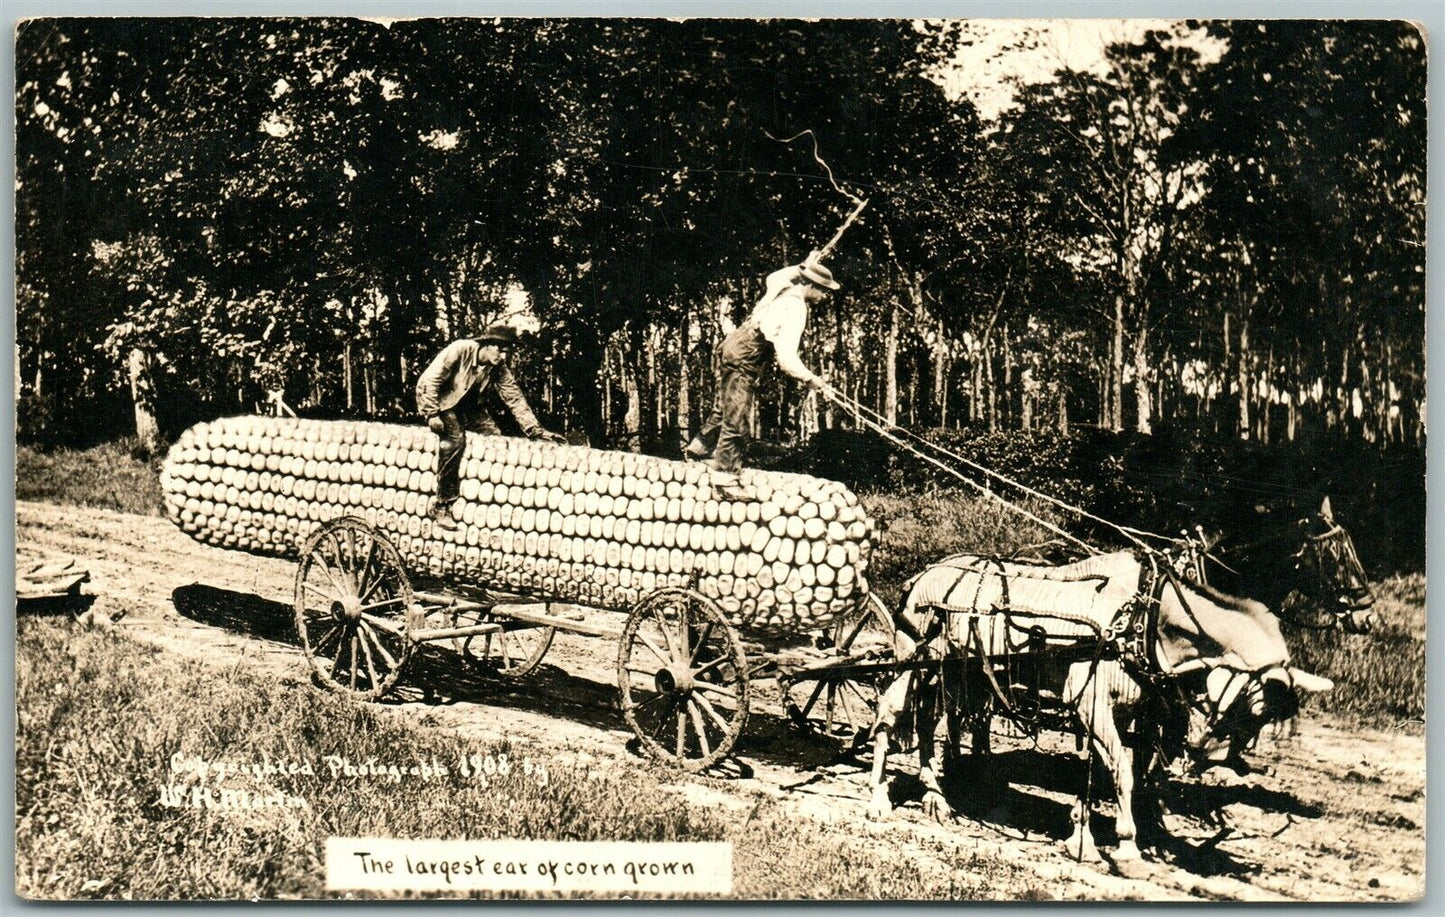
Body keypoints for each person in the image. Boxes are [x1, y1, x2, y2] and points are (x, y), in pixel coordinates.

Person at [685, 251, 839, 500]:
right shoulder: (796, 307)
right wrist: (811, 378)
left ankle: (698, 449)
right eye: (823, 290)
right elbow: (786, 357)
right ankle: (725, 480)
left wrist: (805, 265)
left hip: (733, 344)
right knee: (737, 416)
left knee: (725, 406)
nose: (824, 296)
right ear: (811, 285)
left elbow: (774, 276)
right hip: (745, 355)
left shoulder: (783, 287)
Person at [416, 324, 564, 529]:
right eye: (500, 350)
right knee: (455, 440)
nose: (503, 356)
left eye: (507, 352)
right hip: (442, 402)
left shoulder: (498, 367)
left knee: (496, 441)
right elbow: (429, 380)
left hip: (470, 408)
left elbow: (514, 397)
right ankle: (442, 505)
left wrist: (535, 430)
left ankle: (484, 498)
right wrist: (431, 413)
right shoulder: (460, 349)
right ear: (486, 345)